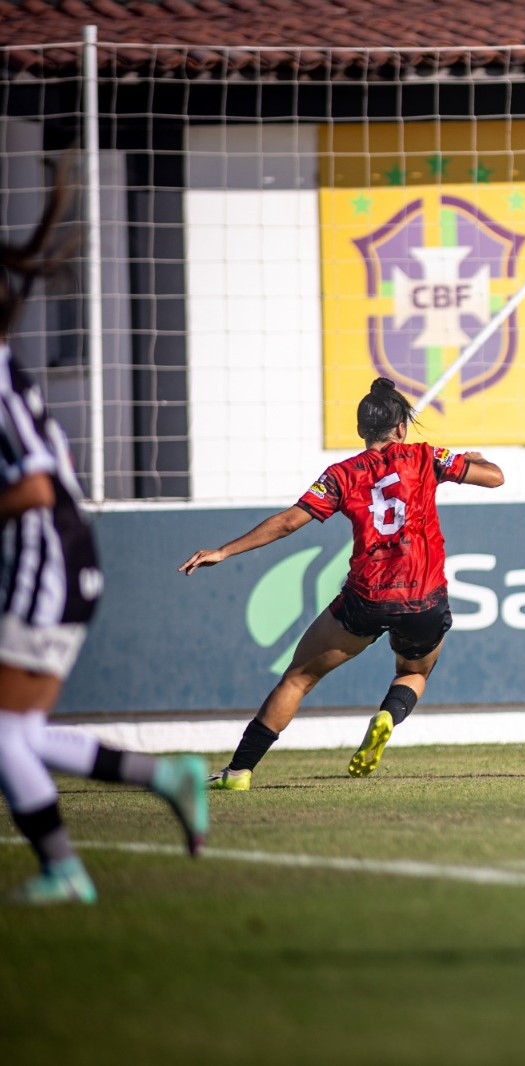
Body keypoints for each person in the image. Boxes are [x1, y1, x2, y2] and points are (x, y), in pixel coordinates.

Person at [0, 171, 208, 905]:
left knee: (4, 735)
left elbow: (33, 485)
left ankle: (64, 869)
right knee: (16, 732)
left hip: (46, 551)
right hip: (65, 550)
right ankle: (166, 777)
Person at [179, 378, 504, 789]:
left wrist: (224, 551)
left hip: (365, 598)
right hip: (423, 598)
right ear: (401, 428)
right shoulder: (426, 457)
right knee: (414, 673)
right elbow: (494, 478)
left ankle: (239, 771)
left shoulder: (341, 474)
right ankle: (387, 715)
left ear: (361, 431)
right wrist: (475, 459)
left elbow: (286, 523)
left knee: (298, 678)